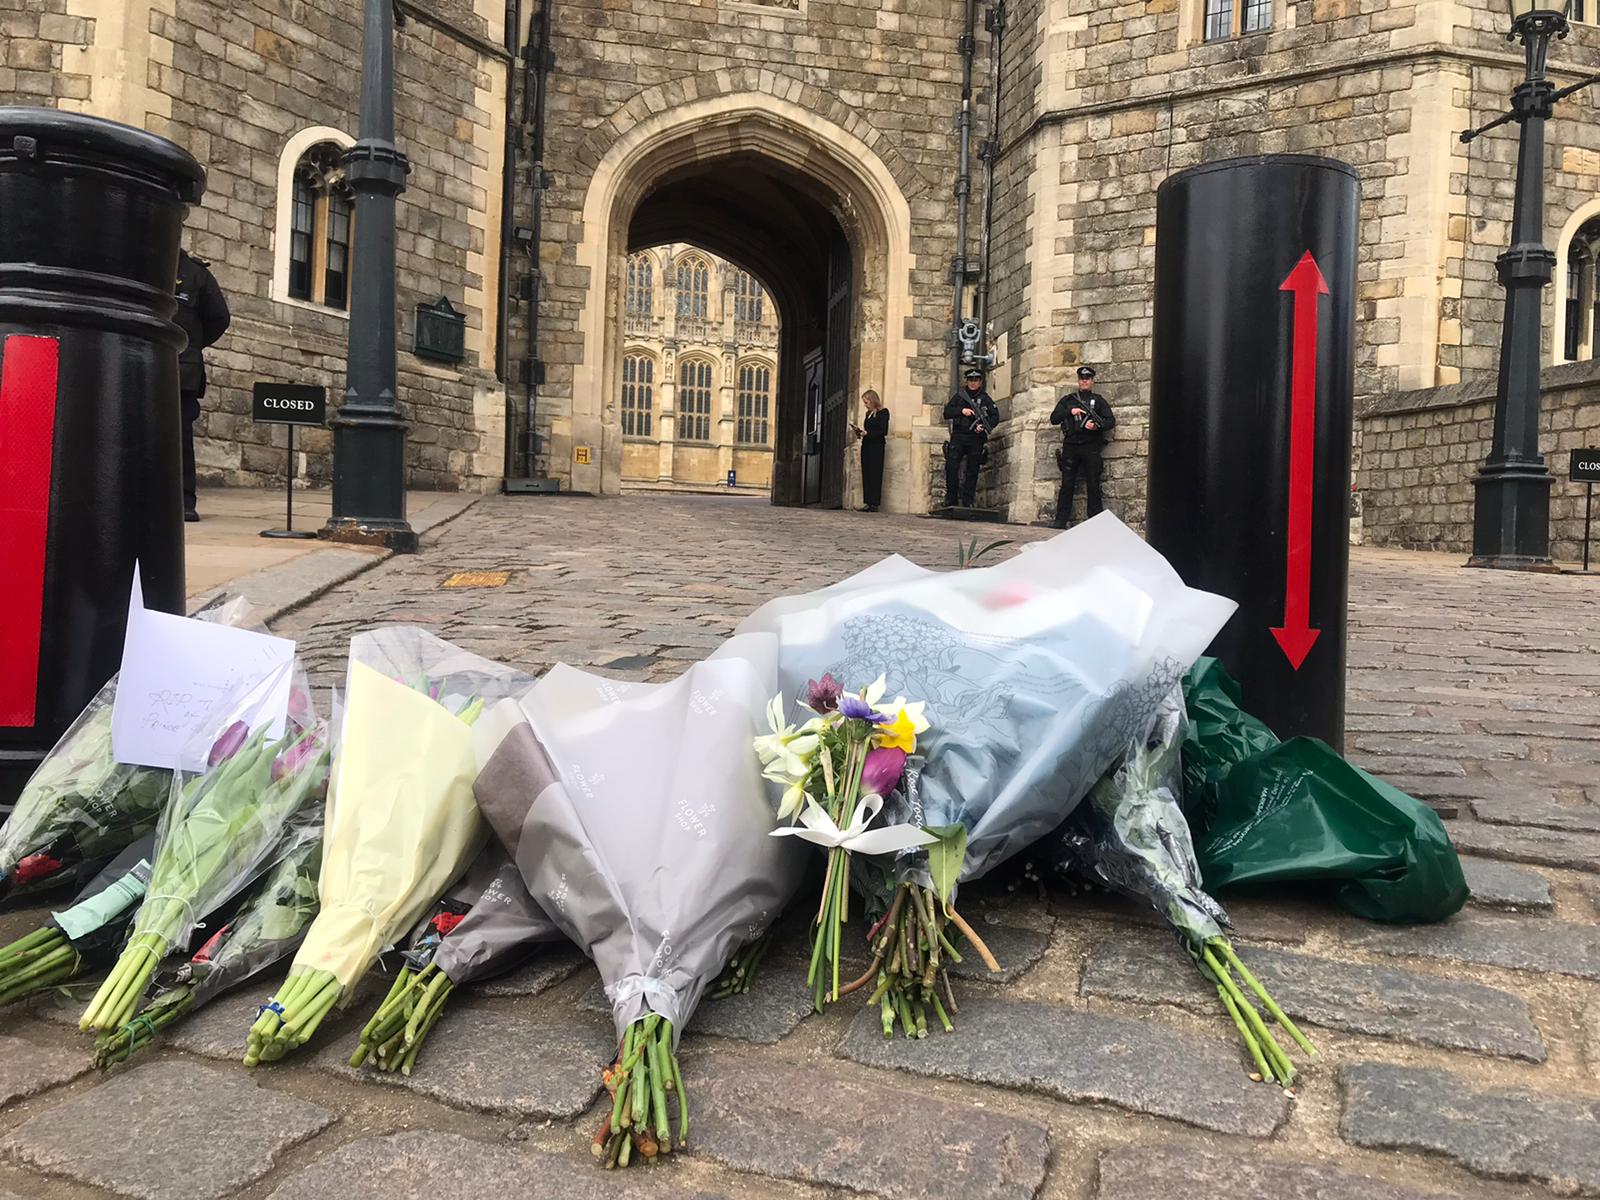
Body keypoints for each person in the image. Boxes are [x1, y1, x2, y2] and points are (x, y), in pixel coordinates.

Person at [174, 248, 231, 522]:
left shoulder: (196, 274)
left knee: (180, 437)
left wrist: (191, 345)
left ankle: (185, 502)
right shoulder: (143, 264)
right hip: (143, 367)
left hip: (181, 371)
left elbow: (219, 318)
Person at [1050, 364, 1115, 528]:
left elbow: (1110, 421)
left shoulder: (1098, 401)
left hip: (1090, 445)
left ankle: (1095, 521)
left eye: (1087, 379)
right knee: (1067, 483)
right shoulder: (1068, 400)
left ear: (1092, 381)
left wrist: (1095, 426)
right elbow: (1054, 418)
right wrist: (1069, 412)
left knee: (1093, 483)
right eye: (1082, 379)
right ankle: (1060, 520)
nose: (1084, 381)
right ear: (1078, 381)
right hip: (1071, 445)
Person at [943, 368, 1000, 508]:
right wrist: (962, 411)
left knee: (972, 470)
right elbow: (947, 412)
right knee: (951, 466)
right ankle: (951, 498)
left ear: (980, 382)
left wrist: (983, 427)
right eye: (970, 380)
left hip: (975, 437)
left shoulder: (985, 398)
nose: (973, 383)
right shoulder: (960, 396)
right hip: (959, 436)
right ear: (966, 381)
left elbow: (995, 417)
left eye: (976, 380)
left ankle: (968, 500)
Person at [852, 390, 889, 512]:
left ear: (873, 400)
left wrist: (868, 433)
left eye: (866, 402)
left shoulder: (883, 413)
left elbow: (883, 431)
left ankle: (874, 503)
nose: (865, 405)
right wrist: (860, 432)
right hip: (867, 445)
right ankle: (868, 501)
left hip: (877, 447)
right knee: (866, 472)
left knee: (875, 473)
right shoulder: (868, 414)